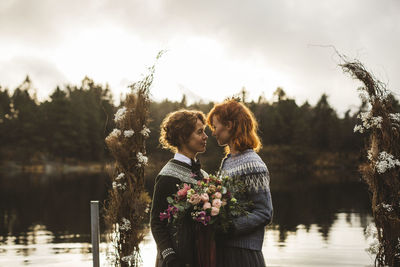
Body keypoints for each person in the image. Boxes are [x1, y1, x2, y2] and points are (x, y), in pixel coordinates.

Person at [206, 99, 273, 267]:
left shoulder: (252, 164)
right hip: (225, 251)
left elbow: (265, 212)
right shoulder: (228, 161)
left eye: (215, 126)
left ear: (229, 125)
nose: (214, 132)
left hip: (243, 255)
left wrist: (229, 228)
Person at [150, 109, 208, 267]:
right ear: (184, 136)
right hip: (176, 259)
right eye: (200, 132)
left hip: (201, 256)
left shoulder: (203, 175)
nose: (205, 136)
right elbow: (156, 223)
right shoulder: (167, 176)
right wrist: (170, 257)